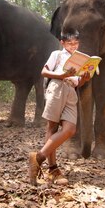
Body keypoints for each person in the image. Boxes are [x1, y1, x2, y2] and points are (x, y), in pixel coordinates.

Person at [28, 31, 90, 186]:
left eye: (76, 43)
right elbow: (44, 72)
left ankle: (38, 158)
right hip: (57, 87)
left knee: (70, 129)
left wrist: (84, 79)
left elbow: (78, 83)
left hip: (71, 92)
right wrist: (62, 75)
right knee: (52, 127)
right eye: (70, 43)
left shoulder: (80, 59)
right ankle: (53, 169)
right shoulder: (57, 54)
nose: (73, 46)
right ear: (62, 43)